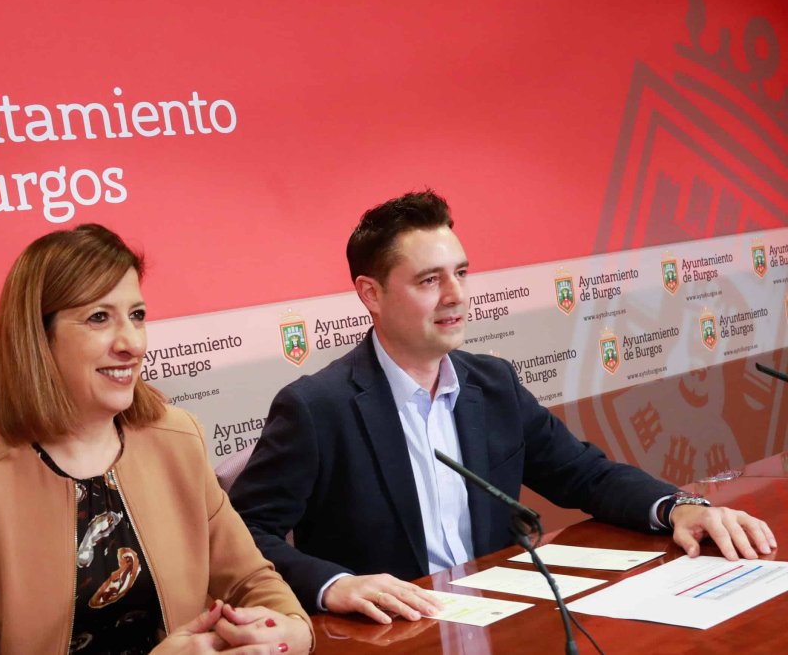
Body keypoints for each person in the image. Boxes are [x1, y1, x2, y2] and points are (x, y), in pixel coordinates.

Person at [229, 189, 777, 625]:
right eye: (429, 280)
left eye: (461, 273)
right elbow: (245, 535)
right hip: (393, 634)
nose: (456, 295)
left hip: (498, 620)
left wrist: (679, 506)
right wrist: (335, 584)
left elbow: (584, 475)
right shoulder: (317, 407)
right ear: (370, 294)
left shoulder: (491, 384)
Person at [0, 224, 313, 654]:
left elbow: (251, 580)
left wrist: (291, 630)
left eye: (137, 316)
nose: (132, 343)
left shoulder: (176, 438)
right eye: (99, 318)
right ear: (37, 338)